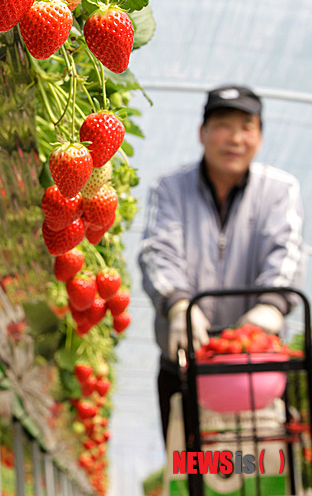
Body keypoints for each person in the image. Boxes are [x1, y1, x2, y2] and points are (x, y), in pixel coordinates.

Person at [138, 84, 307, 442]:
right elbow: (158, 252)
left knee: (259, 470)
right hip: (185, 364)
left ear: (260, 136)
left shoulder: (279, 190)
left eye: (246, 127)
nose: (235, 138)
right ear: (202, 133)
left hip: (257, 370)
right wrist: (179, 304)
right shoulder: (170, 188)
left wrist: (271, 306)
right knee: (193, 470)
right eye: (223, 125)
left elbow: (287, 249)